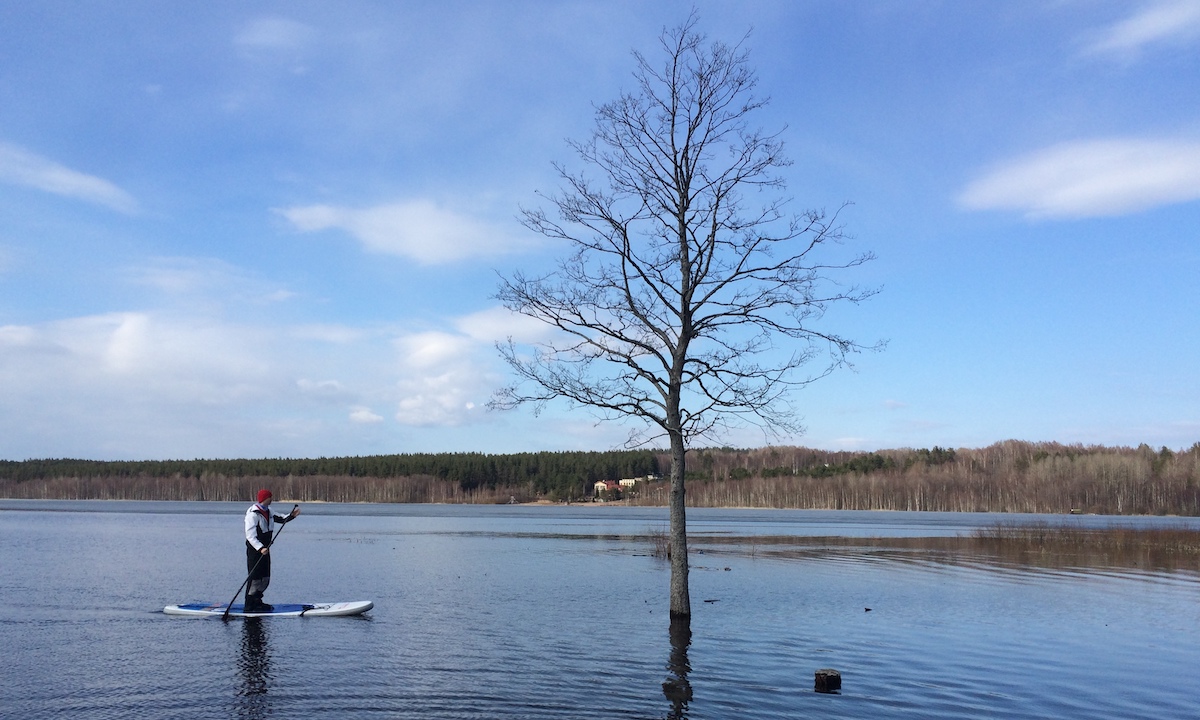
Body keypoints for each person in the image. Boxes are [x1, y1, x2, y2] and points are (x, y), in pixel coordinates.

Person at [244, 489, 300, 612]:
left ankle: (258, 601)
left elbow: (280, 519)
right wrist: (260, 548)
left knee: (265, 577)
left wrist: (292, 516)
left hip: (266, 550)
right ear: (265, 498)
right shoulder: (253, 514)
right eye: (270, 497)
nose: (272, 499)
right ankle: (249, 605)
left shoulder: (268, 511)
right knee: (255, 578)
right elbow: (250, 536)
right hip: (255, 551)